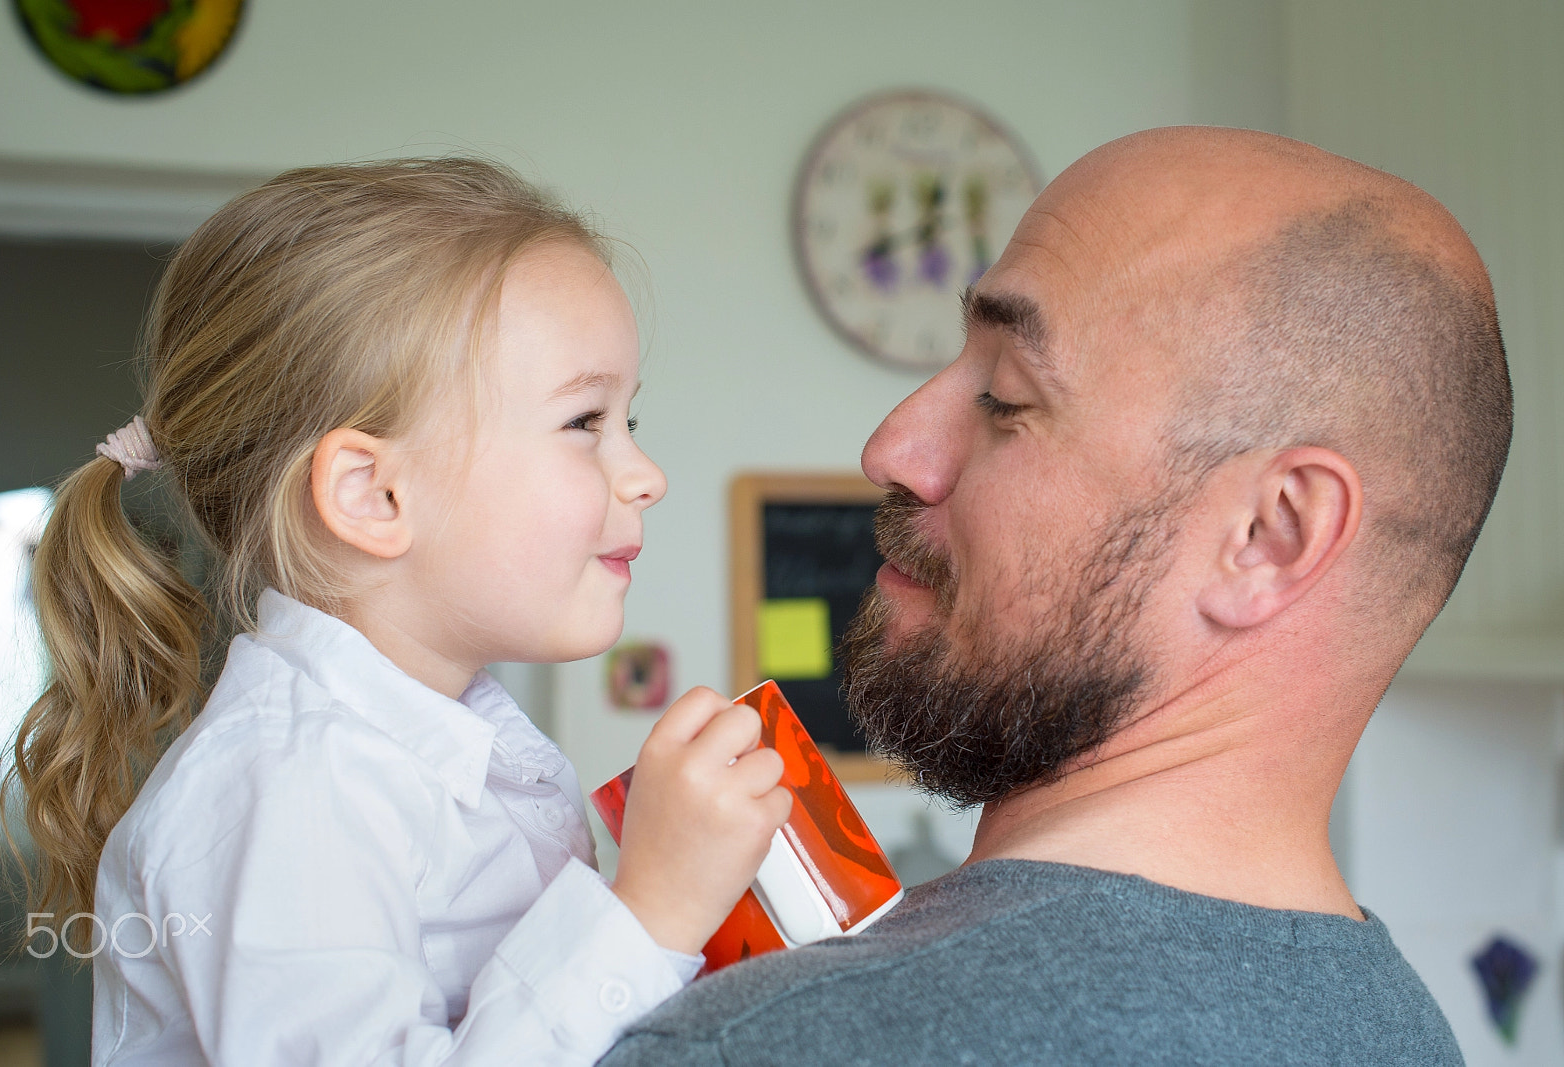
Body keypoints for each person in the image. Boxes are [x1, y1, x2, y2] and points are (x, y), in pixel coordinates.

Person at [602, 127, 1510, 1064]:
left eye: (1004, 395)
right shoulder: (1398, 1034)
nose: (891, 449)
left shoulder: (766, 1043)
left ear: (1270, 536)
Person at [0, 159, 792, 1064]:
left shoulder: (442, 755)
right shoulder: (286, 792)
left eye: (629, 423)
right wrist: (648, 910)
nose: (644, 475)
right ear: (374, 494)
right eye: (584, 422)